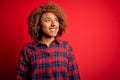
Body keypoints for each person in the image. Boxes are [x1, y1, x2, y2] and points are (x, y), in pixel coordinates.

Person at [15, 1, 80, 80]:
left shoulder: (66, 47)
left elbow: (75, 76)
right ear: (38, 25)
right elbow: (20, 77)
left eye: (56, 20)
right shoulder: (28, 50)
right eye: (48, 20)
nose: (54, 24)